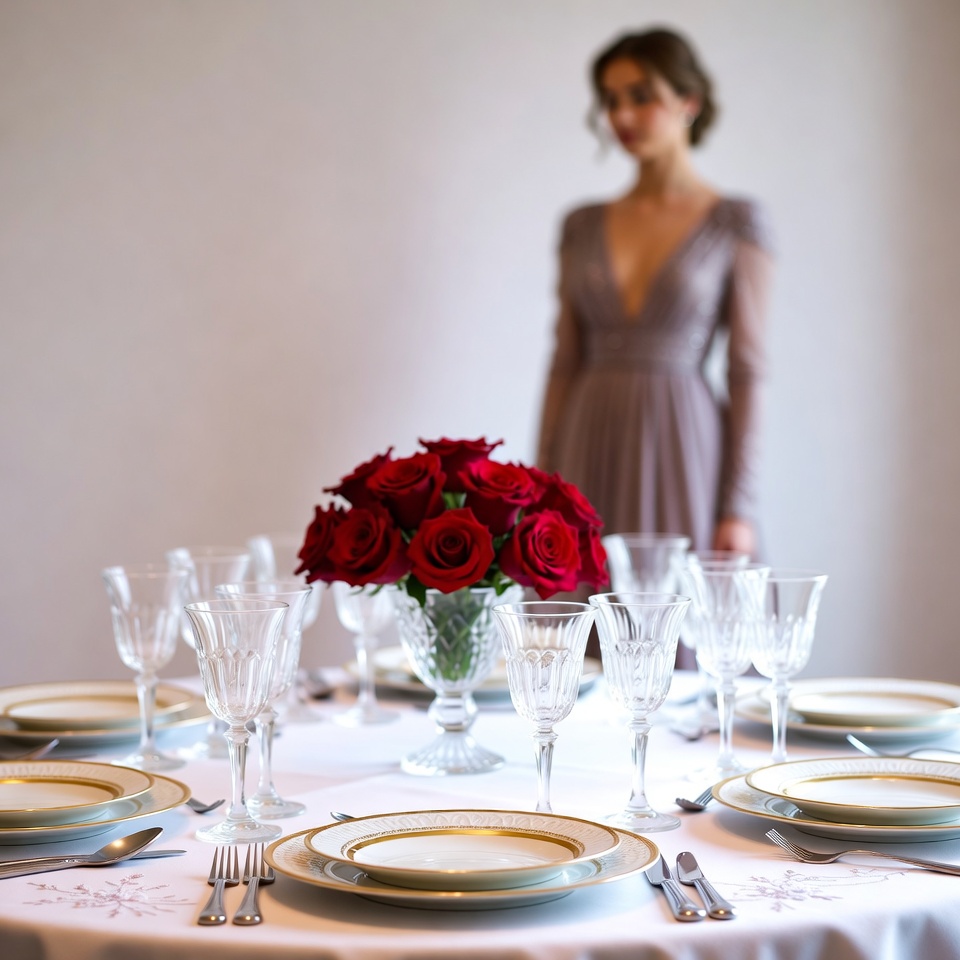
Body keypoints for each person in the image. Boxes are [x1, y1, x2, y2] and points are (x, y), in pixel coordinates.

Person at [536, 27, 773, 557]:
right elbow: (563, 363)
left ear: (688, 101)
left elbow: (747, 370)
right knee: (575, 623)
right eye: (611, 100)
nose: (621, 117)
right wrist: (540, 484)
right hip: (585, 438)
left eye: (641, 96)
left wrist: (740, 505)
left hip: (683, 445)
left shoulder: (737, 223)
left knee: (677, 617)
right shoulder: (581, 225)